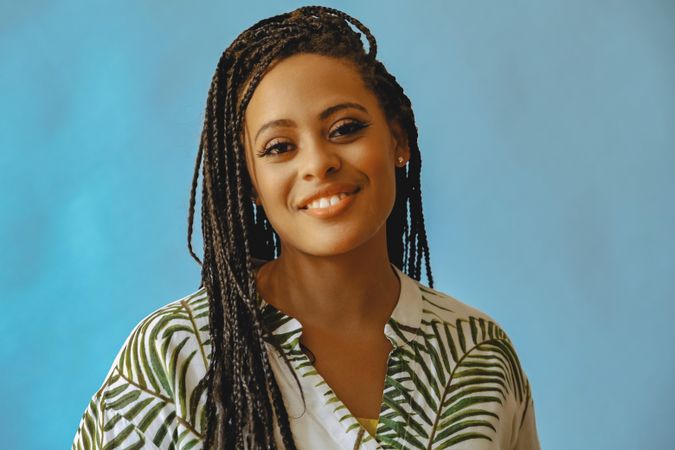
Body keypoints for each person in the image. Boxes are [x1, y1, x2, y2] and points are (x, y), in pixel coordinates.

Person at [72, 5, 540, 450]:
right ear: (249, 183)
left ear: (398, 139)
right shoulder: (176, 357)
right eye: (279, 147)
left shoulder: (479, 353)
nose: (319, 164)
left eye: (344, 129)